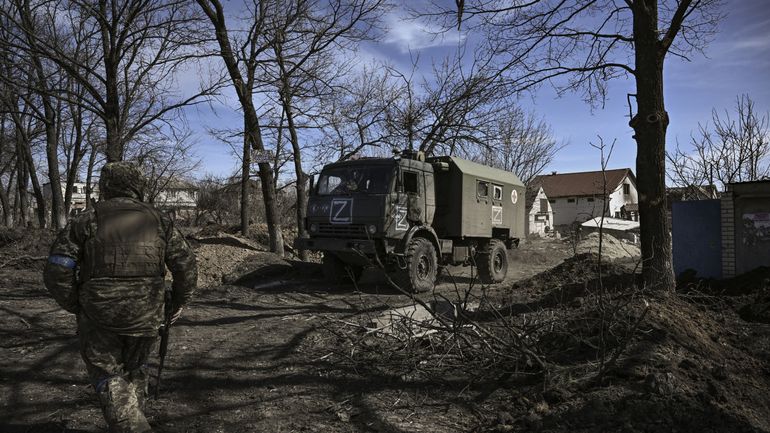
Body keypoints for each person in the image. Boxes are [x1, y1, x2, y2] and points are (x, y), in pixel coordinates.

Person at [43, 162, 197, 433]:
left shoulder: (86, 220)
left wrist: (76, 304)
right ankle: (131, 422)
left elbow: (57, 269)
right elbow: (186, 267)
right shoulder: (160, 220)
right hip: (147, 312)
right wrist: (178, 302)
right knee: (136, 370)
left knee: (108, 375)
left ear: (106, 186)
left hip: (100, 313)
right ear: (138, 186)